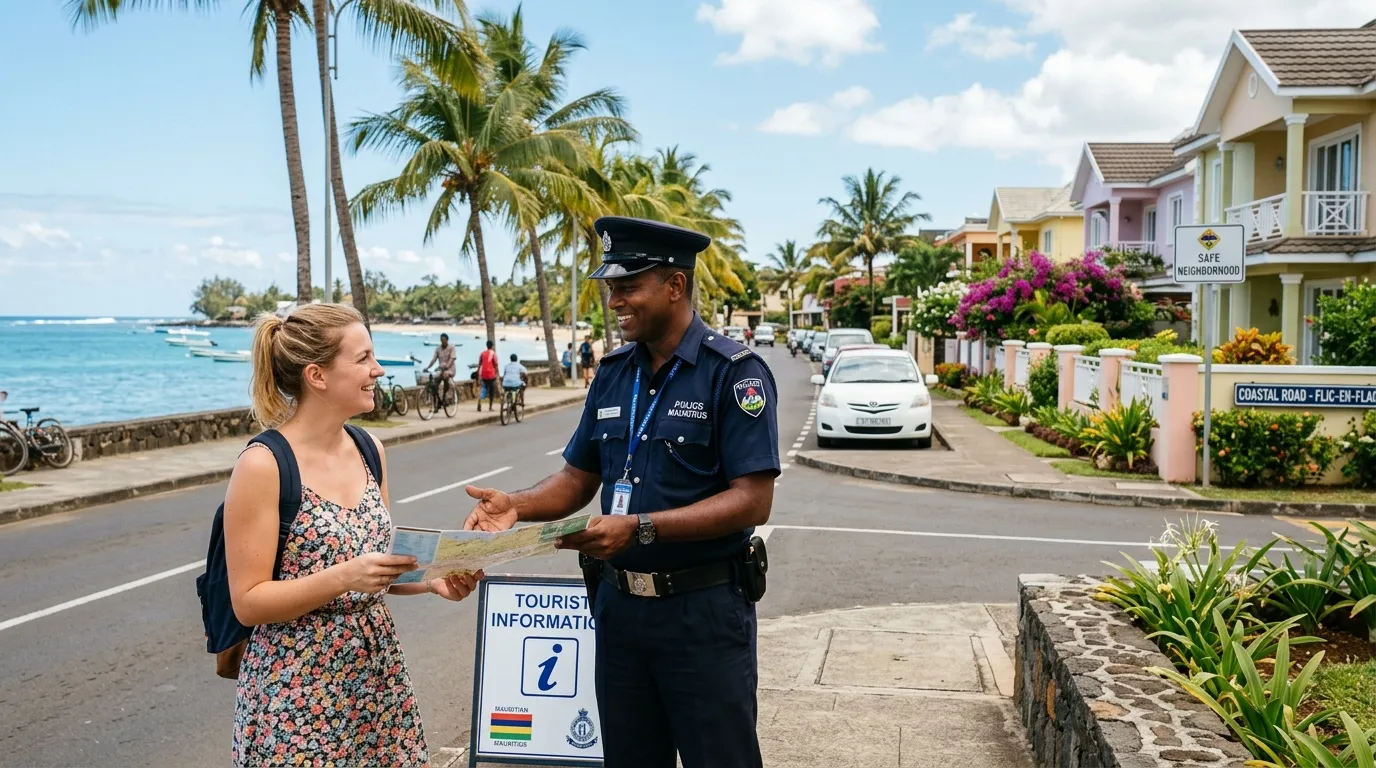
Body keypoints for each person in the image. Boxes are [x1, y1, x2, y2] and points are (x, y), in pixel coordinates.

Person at [463, 216, 779, 768]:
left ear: (675, 285)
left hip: (702, 612)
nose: (615, 302)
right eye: (611, 289)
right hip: (620, 613)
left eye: (628, 287)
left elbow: (752, 499)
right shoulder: (612, 372)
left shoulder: (733, 373)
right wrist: (518, 504)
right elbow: (577, 478)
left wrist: (642, 527)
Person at [226, 304, 483, 766]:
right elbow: (248, 600)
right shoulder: (263, 465)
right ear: (317, 376)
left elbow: (375, 567)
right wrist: (344, 577)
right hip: (297, 688)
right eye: (363, 358)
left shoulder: (369, 449)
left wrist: (432, 582)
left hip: (375, 675)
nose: (378, 369)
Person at [421, 332, 456, 411]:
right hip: (440, 369)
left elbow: (452, 358)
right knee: (434, 384)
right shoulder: (438, 349)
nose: (442, 341)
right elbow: (434, 359)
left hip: (450, 369)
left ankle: (445, 396)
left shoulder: (452, 348)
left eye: (444, 340)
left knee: (445, 376)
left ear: (447, 340)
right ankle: (437, 402)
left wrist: (447, 366)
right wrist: (427, 367)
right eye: (441, 340)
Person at [477, 339, 499, 412]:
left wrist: (478, 373)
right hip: (491, 375)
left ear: (486, 345)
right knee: (491, 390)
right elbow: (495, 364)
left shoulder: (482, 353)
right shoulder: (493, 353)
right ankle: (490, 406)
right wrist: (496, 373)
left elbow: (479, 364)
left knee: (483, 388)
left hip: (483, 374)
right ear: (492, 346)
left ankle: (479, 402)